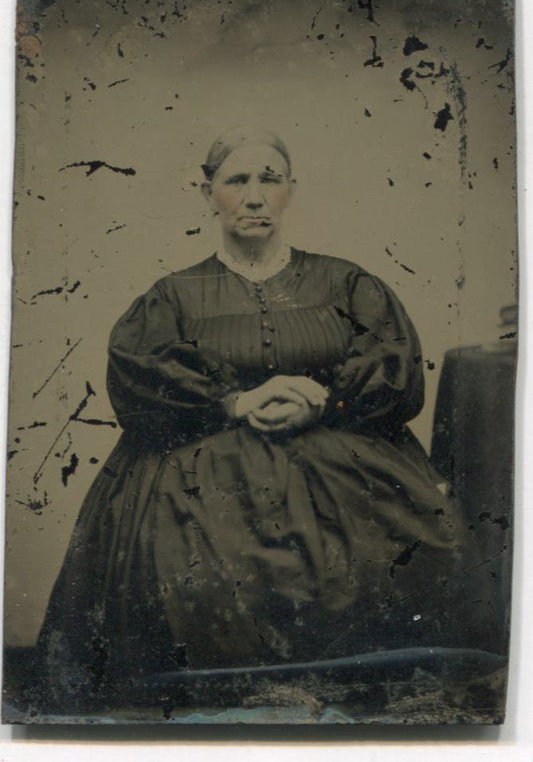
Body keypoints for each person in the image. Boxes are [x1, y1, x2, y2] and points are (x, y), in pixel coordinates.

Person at [35, 126, 486, 707]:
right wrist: (233, 402)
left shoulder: (346, 282)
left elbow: (395, 370)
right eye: (236, 180)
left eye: (269, 180)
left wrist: (326, 398)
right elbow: (138, 379)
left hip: (345, 467)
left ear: (289, 192)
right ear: (208, 193)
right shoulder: (172, 296)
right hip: (198, 480)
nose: (254, 196)